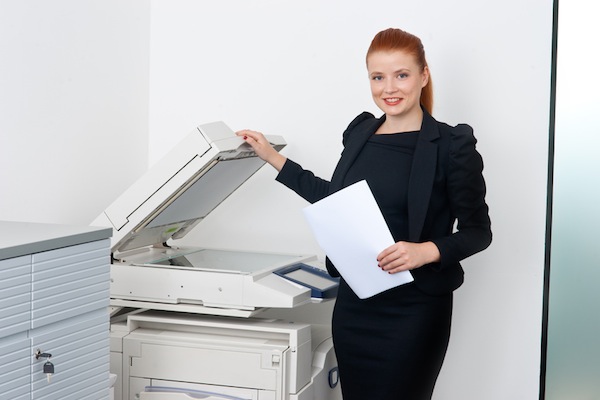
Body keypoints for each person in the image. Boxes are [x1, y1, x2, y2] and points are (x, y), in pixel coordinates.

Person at [237, 27, 491, 400]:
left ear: (423, 75)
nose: (389, 87)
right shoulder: (360, 134)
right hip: (356, 308)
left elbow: (478, 231)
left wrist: (424, 251)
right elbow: (337, 201)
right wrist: (275, 160)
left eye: (402, 75)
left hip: (415, 313)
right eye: (378, 77)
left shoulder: (452, 146)